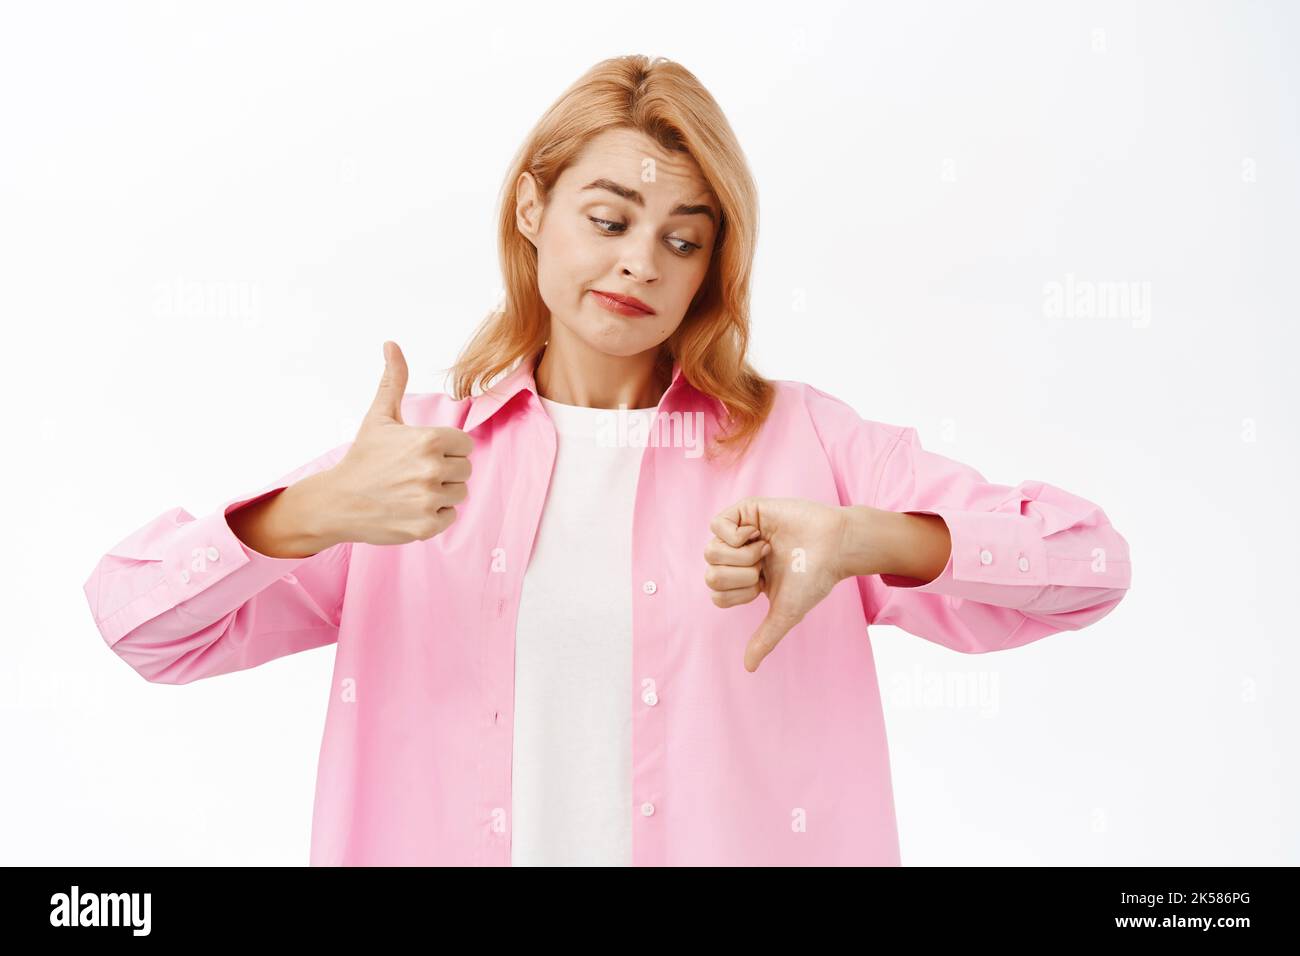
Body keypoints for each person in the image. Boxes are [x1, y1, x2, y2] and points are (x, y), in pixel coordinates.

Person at [82, 54, 1132, 866]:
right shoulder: (411, 467)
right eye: (608, 217)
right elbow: (137, 622)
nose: (640, 258)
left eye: (683, 238)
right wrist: (308, 512)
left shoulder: (804, 444)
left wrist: (867, 536)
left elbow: (1086, 564)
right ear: (533, 210)